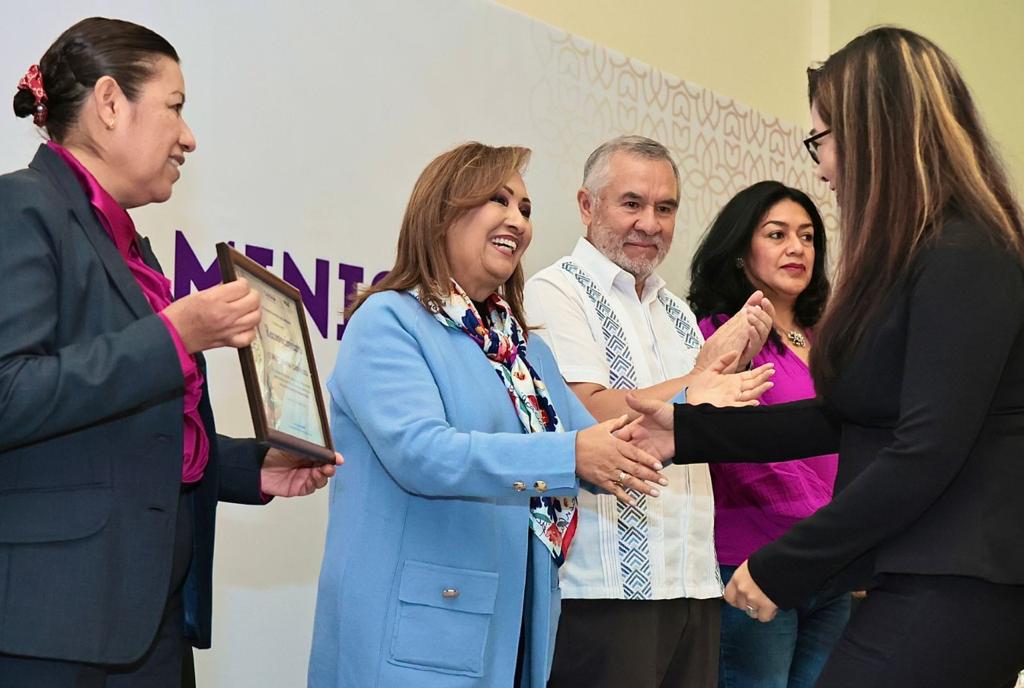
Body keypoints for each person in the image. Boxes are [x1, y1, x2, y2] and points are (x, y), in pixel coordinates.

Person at [624, 26, 1024, 688]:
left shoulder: (967, 254)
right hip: (919, 572)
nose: (820, 167)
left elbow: (925, 450)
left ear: (872, 134)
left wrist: (785, 563)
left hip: (960, 581)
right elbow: (842, 417)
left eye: (822, 140)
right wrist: (687, 431)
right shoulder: (921, 258)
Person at [307, 142, 772, 688]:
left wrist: (694, 403)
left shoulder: (524, 350)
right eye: (498, 200)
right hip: (413, 625)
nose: (518, 221)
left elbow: (604, 444)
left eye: (525, 208)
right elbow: (423, 453)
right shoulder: (389, 321)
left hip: (513, 622)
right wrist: (574, 453)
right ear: (442, 213)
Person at [0, 18, 338, 687]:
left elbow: (133, 431)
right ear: (109, 103)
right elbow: (11, 394)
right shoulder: (22, 209)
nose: (189, 137)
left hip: (149, 619)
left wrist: (249, 468)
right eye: (175, 107)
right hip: (53, 630)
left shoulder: (129, 245)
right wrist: (174, 336)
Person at [524, 135, 774, 688]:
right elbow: (588, 412)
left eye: (665, 208)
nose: (650, 224)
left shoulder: (677, 312)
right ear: (587, 205)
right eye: (631, 203)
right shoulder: (554, 291)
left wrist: (726, 377)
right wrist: (702, 376)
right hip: (603, 585)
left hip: (692, 582)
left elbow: (698, 425)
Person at [689, 181, 848, 688]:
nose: (796, 248)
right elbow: (735, 451)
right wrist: (829, 526)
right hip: (754, 560)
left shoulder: (831, 338)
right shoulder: (722, 333)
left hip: (830, 561)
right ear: (741, 251)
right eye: (777, 234)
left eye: (807, 236)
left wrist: (849, 537)